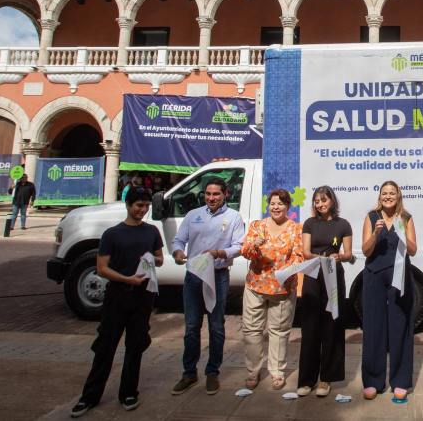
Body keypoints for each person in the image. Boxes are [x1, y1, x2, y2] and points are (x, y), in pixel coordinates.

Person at [70, 187, 163, 417]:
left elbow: (160, 258)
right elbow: (102, 268)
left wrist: (151, 260)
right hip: (118, 295)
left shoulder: (151, 231)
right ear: (128, 205)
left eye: (146, 206)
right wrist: (127, 279)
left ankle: (129, 392)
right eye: (139, 205)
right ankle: (89, 396)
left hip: (143, 296)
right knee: (105, 346)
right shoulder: (112, 234)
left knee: (136, 345)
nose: (142, 210)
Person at [170, 178, 245, 396]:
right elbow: (178, 240)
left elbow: (239, 246)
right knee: (192, 326)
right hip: (194, 275)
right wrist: (177, 252)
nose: (211, 198)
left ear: (225, 194)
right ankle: (189, 373)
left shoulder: (234, 217)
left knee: (216, 326)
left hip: (218, 276)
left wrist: (219, 253)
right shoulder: (193, 215)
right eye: (208, 194)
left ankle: (212, 372)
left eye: (216, 194)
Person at [240, 189, 303, 390]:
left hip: (282, 289)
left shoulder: (296, 229)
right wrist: (254, 245)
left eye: (280, 204)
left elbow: (299, 256)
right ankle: (253, 372)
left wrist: (288, 270)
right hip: (255, 286)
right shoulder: (257, 226)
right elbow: (245, 252)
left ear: (288, 206)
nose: (276, 207)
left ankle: (277, 372)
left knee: (280, 331)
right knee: (252, 330)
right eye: (273, 203)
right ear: (268, 206)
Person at [361, 180, 418, 401]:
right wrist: (375, 234)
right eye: (384, 193)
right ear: (380, 197)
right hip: (374, 276)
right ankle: (373, 380)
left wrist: (402, 234)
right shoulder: (371, 217)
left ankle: (400, 381)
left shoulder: (406, 218)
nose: (388, 196)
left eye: (392, 193)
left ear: (398, 196)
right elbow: (366, 251)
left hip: (399, 276)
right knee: (373, 326)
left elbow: (413, 250)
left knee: (400, 325)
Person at [297, 185, 353, 397]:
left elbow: (348, 254)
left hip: (334, 277)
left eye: (323, 200)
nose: (320, 204)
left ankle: (326, 379)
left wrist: (339, 256)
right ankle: (306, 380)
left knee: (332, 326)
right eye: (317, 201)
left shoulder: (343, 224)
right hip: (312, 277)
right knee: (310, 328)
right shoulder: (309, 223)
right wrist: (320, 258)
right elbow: (305, 252)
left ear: (332, 201)